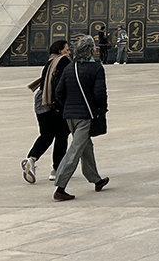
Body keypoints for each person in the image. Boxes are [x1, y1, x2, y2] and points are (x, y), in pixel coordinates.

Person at [52, 35, 109, 201]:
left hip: (69, 116)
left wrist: (68, 107)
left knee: (86, 146)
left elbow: (59, 92)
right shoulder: (96, 68)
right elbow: (99, 94)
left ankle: (96, 180)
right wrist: (101, 110)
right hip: (85, 115)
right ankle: (60, 186)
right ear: (91, 51)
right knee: (76, 149)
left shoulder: (70, 68)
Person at [23, 40, 70, 184]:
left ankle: (31, 159)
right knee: (62, 135)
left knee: (46, 135)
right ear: (61, 51)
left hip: (41, 103)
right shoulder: (63, 61)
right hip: (54, 103)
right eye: (67, 49)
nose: (69, 52)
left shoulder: (49, 62)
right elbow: (63, 83)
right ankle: (56, 169)